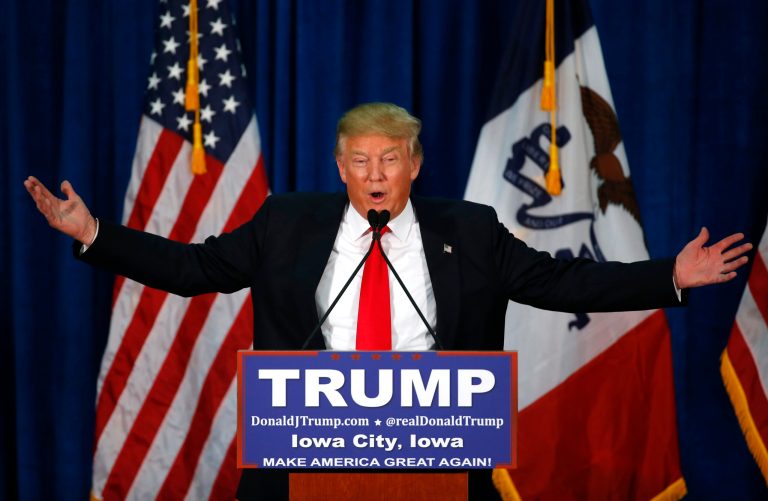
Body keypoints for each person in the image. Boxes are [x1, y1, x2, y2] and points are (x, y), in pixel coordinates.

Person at [24, 102, 752, 498]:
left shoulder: (468, 230)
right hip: (303, 462)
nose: (376, 174)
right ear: (341, 166)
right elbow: (192, 268)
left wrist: (671, 277)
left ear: (415, 164)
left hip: (434, 465)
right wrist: (94, 233)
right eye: (361, 161)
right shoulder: (286, 222)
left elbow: (564, 282)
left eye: (390, 159)